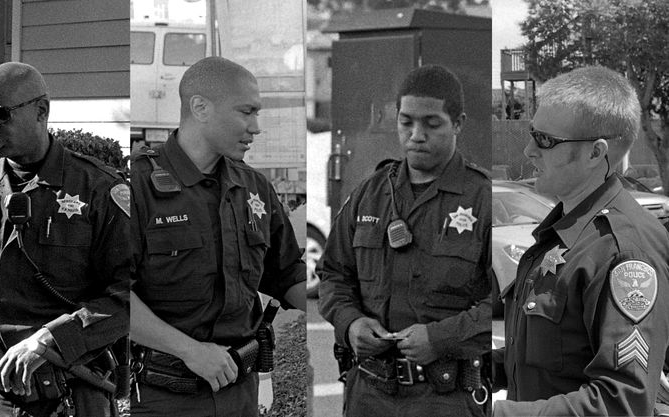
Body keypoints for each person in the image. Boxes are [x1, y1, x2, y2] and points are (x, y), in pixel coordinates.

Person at [0, 62, 131, 416]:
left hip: (71, 396)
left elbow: (133, 294)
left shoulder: (98, 190)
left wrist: (53, 339)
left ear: (42, 110)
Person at [129, 56, 306, 417]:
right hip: (164, 398)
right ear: (200, 108)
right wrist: (189, 350)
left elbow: (287, 273)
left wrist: (341, 314)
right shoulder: (137, 187)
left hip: (240, 393)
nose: (255, 127)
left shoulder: (254, 187)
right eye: (246, 112)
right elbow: (115, 295)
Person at [492, 66, 669, 416]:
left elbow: (624, 402)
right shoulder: (567, 234)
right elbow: (543, 362)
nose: (529, 150)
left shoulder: (624, 251)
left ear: (595, 153)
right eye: (532, 133)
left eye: (545, 140)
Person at [317, 64, 492, 417]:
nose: (416, 135)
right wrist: (350, 323)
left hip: (447, 399)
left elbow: (508, 304)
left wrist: (441, 339)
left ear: (457, 124)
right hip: (369, 394)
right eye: (406, 121)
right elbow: (333, 274)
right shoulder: (371, 192)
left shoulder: (484, 198)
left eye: (432, 123)